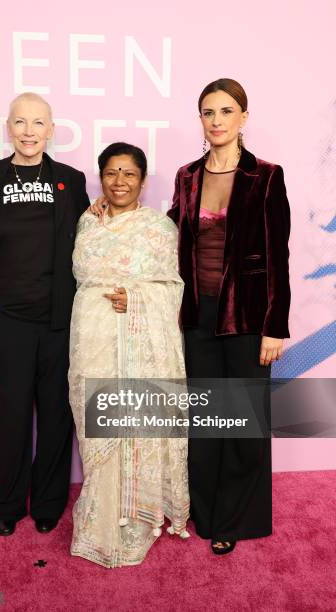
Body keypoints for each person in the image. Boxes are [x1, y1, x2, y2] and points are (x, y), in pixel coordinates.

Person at [168, 78, 291, 554]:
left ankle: (236, 520)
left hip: (247, 316)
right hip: (197, 314)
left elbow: (278, 255)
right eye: (207, 112)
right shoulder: (187, 175)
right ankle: (205, 511)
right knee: (205, 420)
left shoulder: (267, 175)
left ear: (243, 116)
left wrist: (274, 326)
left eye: (225, 111)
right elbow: (168, 232)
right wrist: (115, 215)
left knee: (241, 421)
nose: (216, 121)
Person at [0, 92, 90, 536]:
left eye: (38, 123)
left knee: (55, 415)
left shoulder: (71, 181)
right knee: (13, 415)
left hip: (58, 320)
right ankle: (8, 502)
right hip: (7, 320)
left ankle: (49, 502)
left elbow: (86, 248)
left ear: (51, 129)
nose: (29, 131)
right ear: (8, 128)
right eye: (21, 122)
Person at [69, 142, 190, 568]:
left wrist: (135, 298)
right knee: (96, 425)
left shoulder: (159, 229)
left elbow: (173, 288)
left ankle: (135, 520)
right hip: (93, 335)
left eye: (129, 174)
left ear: (142, 179)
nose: (119, 182)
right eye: (111, 173)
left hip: (137, 345)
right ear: (100, 178)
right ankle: (98, 520)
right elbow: (82, 276)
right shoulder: (88, 222)